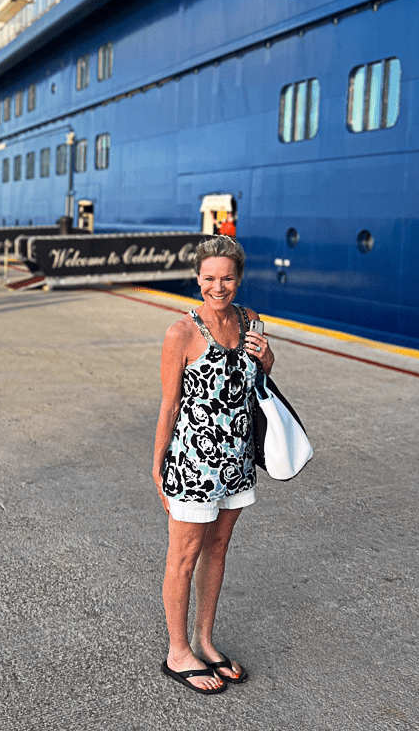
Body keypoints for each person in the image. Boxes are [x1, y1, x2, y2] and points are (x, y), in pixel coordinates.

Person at [153, 235, 273, 695]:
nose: (217, 287)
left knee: (218, 549)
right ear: (197, 278)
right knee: (183, 557)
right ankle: (177, 650)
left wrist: (266, 357)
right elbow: (168, 404)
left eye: (226, 278)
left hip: (237, 463)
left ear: (238, 278)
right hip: (192, 463)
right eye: (209, 278)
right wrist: (157, 465)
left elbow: (262, 377)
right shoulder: (181, 333)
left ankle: (205, 640)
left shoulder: (250, 320)